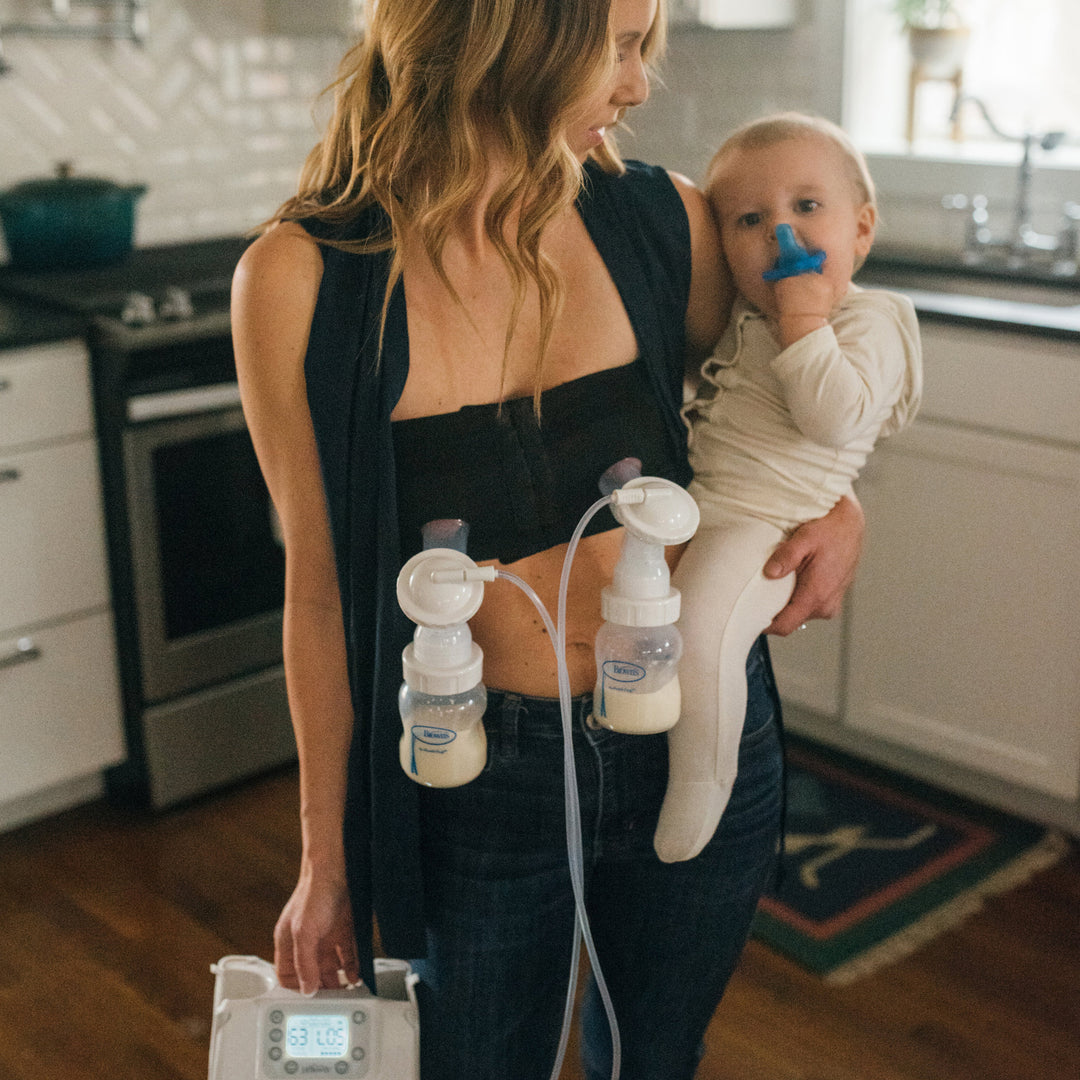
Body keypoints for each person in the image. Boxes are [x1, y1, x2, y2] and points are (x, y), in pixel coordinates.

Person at [231, 4, 865, 1077]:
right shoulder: (304, 281)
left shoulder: (662, 217)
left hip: (699, 727)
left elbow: (785, 397)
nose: (637, 87)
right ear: (510, 35)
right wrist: (324, 861)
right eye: (617, 48)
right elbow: (322, 594)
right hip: (473, 771)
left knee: (653, 1058)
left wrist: (842, 504)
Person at [653, 113, 922, 864]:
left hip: (769, 525)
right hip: (709, 504)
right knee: (663, 617)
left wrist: (804, 318)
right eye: (750, 219)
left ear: (861, 231)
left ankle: (702, 786)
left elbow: (834, 419)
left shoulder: (872, 320)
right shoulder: (747, 314)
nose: (782, 233)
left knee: (700, 633)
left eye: (807, 207)